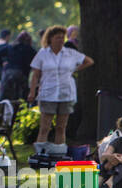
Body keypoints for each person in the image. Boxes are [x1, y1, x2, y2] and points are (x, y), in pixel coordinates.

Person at [28, 26, 93, 158]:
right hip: (48, 93)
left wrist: (74, 69)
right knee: (45, 126)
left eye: (62, 38)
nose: (60, 40)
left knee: (61, 127)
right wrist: (32, 92)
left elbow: (89, 61)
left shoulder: (70, 53)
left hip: (66, 93)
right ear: (50, 38)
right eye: (57, 37)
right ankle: (40, 153)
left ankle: (58, 153)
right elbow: (35, 75)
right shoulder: (42, 54)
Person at [0, 30, 36, 103]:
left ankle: (3, 112)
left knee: (5, 98)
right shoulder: (29, 49)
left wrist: (2, 64)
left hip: (8, 74)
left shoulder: (10, 47)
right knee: (21, 99)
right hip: (22, 75)